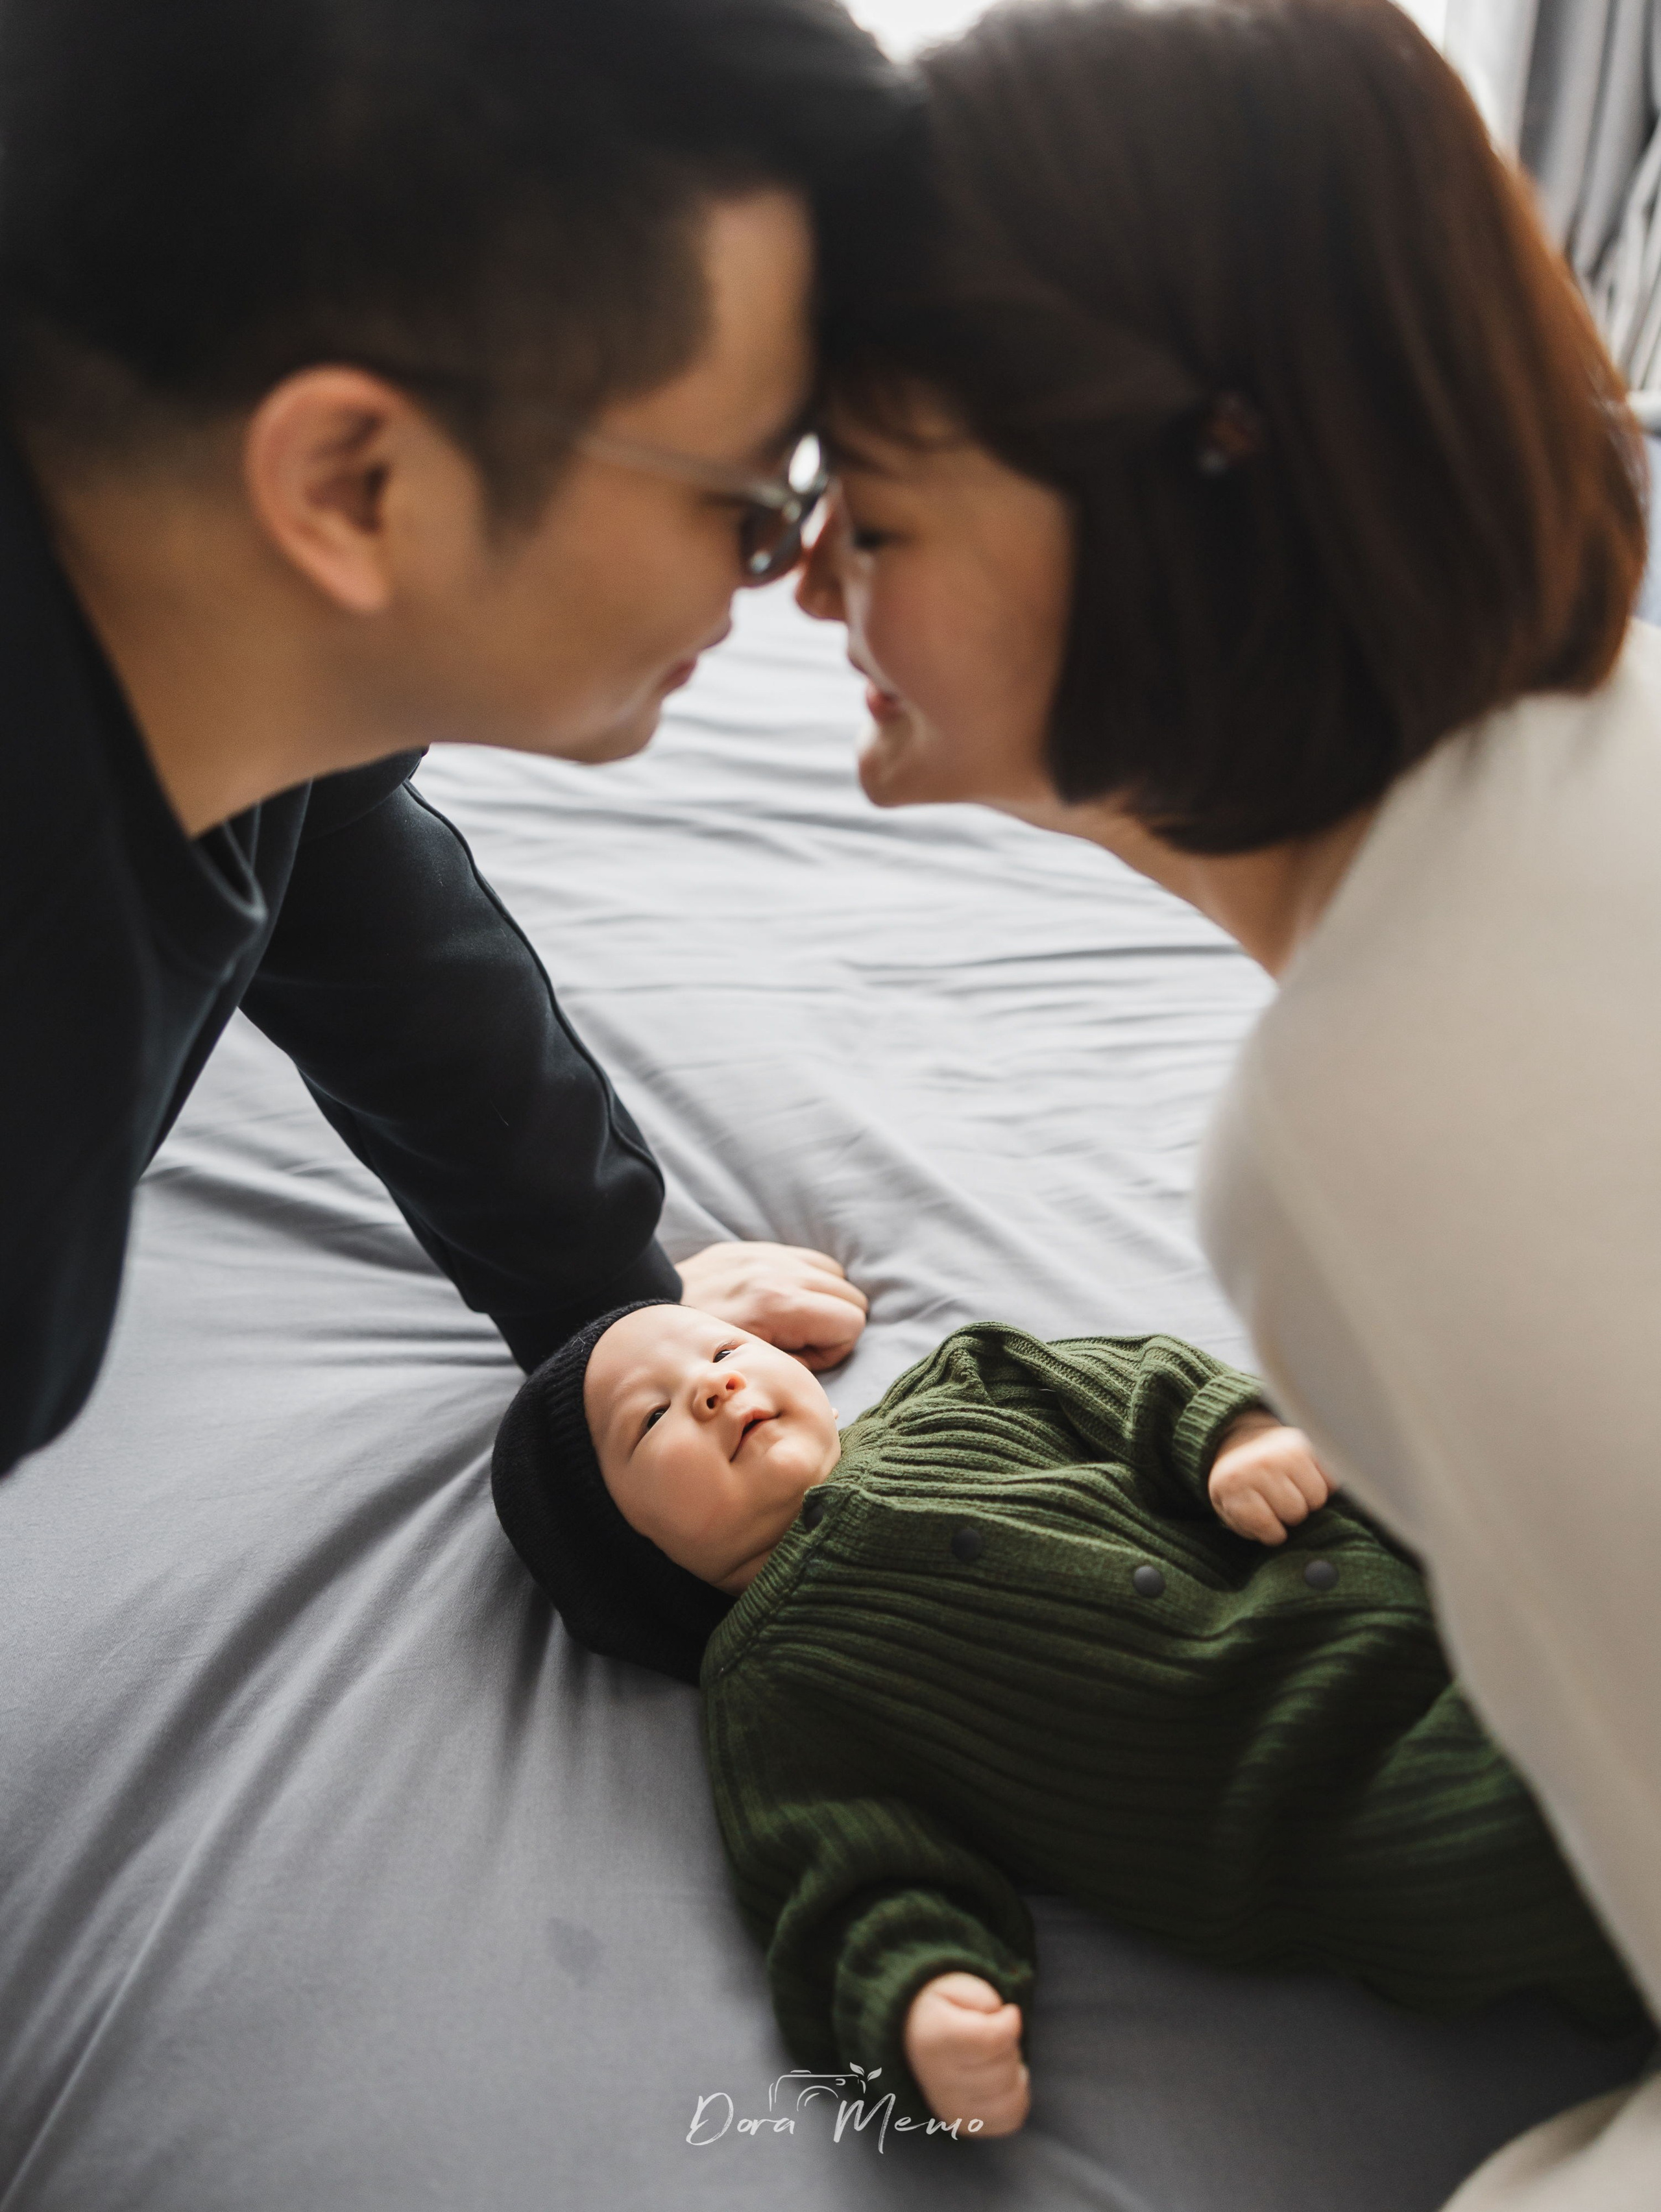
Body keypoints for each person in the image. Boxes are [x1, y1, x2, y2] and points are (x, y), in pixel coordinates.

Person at [792, 0, 1661, 2200]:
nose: (811, 582)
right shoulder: (1592, 754)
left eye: (874, 512)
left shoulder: (1382, 1106)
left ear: (1196, 476)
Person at [0, 0, 912, 1483]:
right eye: (752, 503)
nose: (805, 577)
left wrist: (607, 1299)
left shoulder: (227, 653)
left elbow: (347, 880)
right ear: (357, 487)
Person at [489, 1299, 1645, 2139]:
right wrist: (920, 2003)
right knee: (1504, 1868)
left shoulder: (964, 1381)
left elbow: (1136, 1377)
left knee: (1576, 1538)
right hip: (1314, 1808)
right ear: (632, 1558)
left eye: (725, 1346)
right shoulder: (772, 1691)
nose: (715, 1383)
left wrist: (1232, 1440)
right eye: (651, 1423)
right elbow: (846, 1876)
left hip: (1383, 1569)